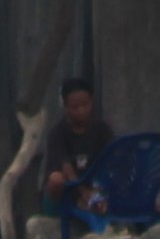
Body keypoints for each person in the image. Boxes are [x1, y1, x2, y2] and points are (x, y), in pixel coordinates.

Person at [41, 79, 114, 214]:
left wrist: (96, 192)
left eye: (85, 105)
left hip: (95, 187)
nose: (81, 111)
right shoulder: (58, 133)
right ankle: (57, 214)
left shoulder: (102, 129)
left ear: (92, 102)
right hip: (66, 190)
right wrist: (82, 192)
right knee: (56, 179)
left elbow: (111, 160)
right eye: (75, 107)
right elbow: (66, 166)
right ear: (65, 107)